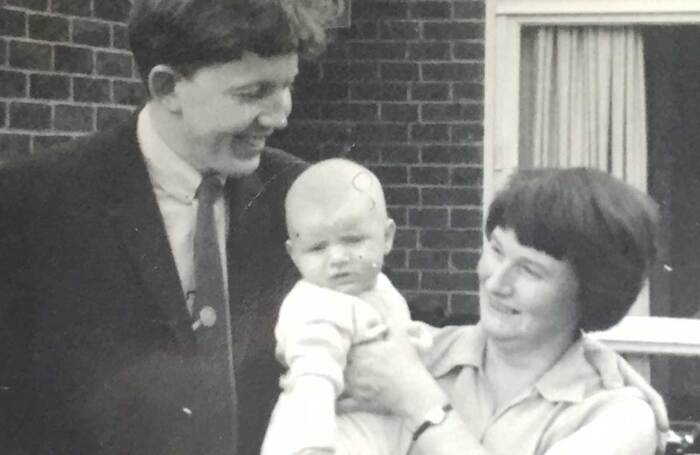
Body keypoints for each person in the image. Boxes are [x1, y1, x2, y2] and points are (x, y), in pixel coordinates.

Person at [0, 1, 334, 454]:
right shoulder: (33, 205)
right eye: (253, 93)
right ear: (167, 87)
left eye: (286, 86)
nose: (280, 115)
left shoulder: (307, 199)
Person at [338, 168, 664, 455]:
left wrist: (418, 401)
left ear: (590, 294)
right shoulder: (414, 351)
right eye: (496, 250)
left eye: (530, 270)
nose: (496, 282)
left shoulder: (618, 417)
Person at [261, 158, 431, 455]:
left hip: (380, 433)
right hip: (329, 438)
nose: (337, 257)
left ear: (387, 237)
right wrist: (313, 447)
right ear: (294, 254)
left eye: (352, 240)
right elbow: (312, 379)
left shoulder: (381, 289)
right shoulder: (315, 304)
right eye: (317, 248)